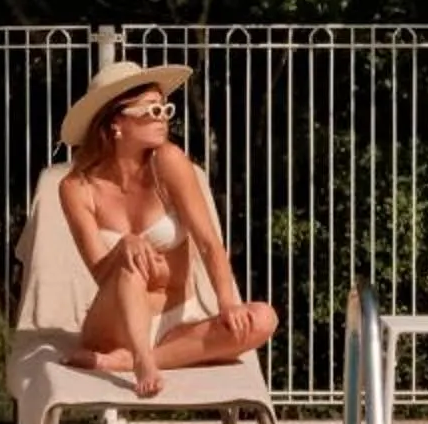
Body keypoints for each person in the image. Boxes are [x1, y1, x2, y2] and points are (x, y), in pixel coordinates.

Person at [54, 61, 278, 397]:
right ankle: (141, 360)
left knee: (263, 318)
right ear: (116, 122)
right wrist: (123, 247)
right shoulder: (77, 187)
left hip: (178, 321)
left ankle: (123, 363)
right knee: (131, 263)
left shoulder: (168, 161)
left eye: (166, 108)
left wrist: (228, 303)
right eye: (152, 108)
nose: (163, 117)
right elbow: (102, 276)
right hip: (115, 326)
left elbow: (208, 242)